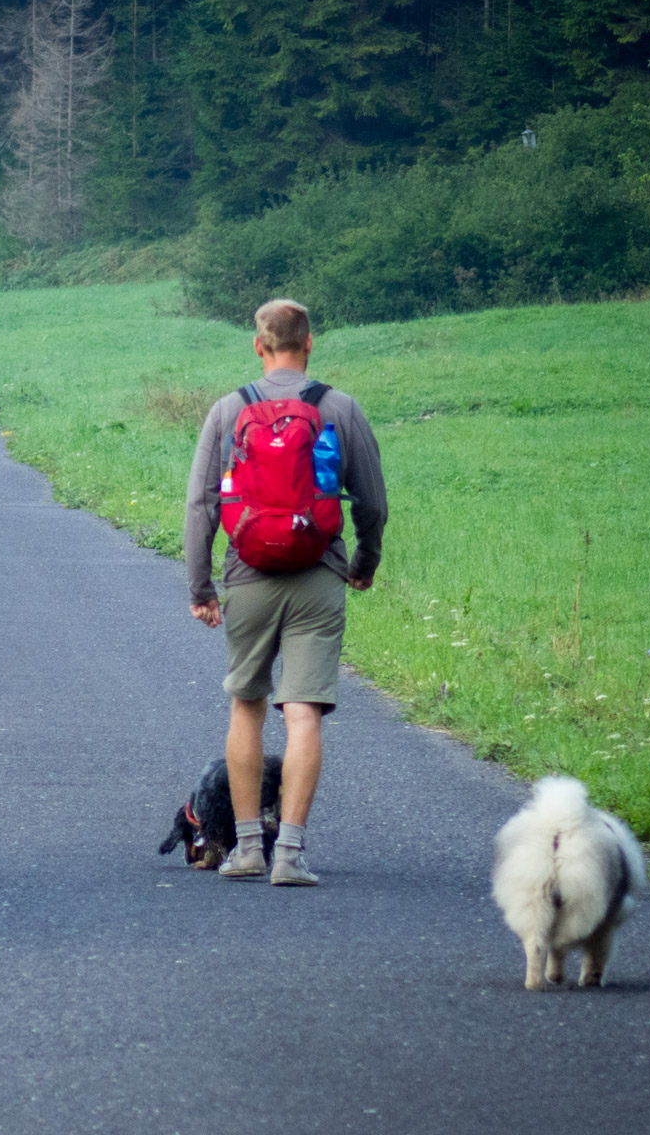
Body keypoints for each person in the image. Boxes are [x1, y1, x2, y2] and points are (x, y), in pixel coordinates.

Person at [184, 299, 387, 886]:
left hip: (248, 575)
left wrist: (201, 585)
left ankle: (246, 848)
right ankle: (289, 856)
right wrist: (364, 563)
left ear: (258, 345)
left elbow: (202, 505)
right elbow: (372, 504)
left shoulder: (229, 410)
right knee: (303, 714)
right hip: (319, 574)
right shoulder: (339, 408)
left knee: (247, 705)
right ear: (310, 343)